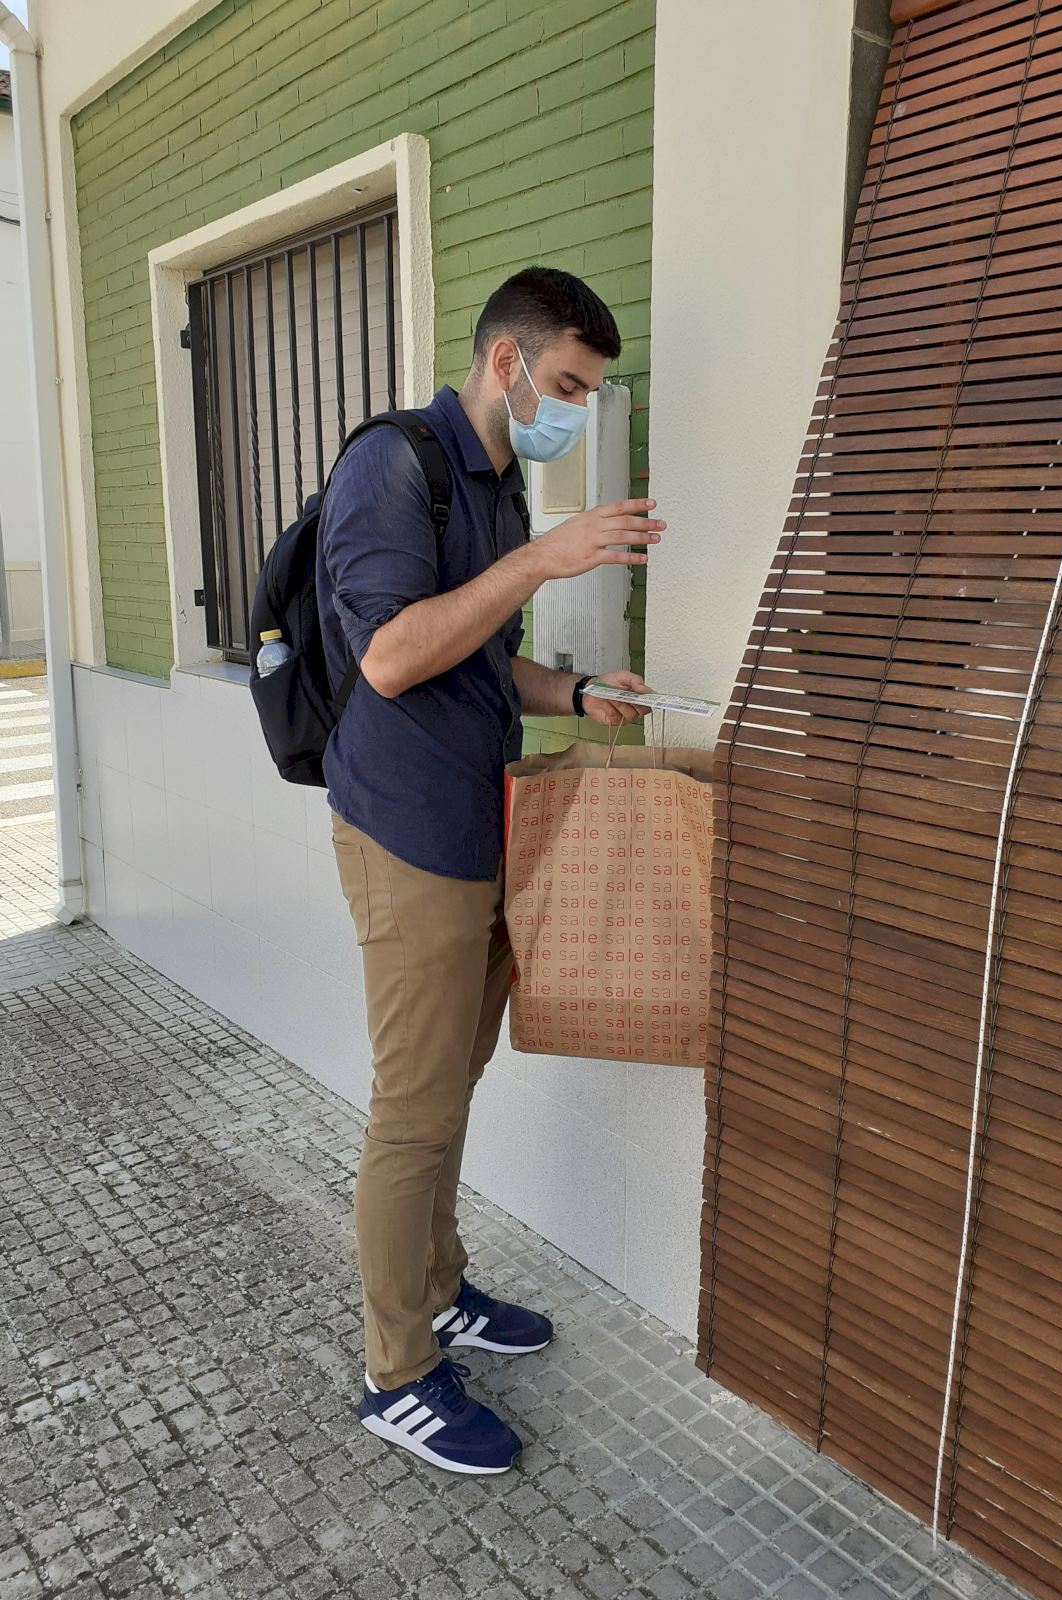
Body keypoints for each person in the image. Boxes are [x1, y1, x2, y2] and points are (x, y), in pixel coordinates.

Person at [315, 266, 663, 1475]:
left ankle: (441, 1291)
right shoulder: (391, 466)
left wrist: (574, 690)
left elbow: (477, 657)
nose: (574, 408)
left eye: (589, 392)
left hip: (480, 825)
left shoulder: (499, 486)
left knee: (449, 1090)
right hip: (406, 833)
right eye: (566, 382)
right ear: (506, 362)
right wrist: (546, 560)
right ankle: (395, 1373)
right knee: (412, 1108)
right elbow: (393, 656)